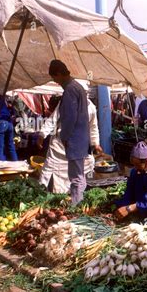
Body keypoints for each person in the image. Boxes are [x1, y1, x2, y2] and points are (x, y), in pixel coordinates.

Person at [38, 95, 103, 193]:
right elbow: (53, 119)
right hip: (59, 146)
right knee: (51, 169)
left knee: (86, 166)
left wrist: (96, 143)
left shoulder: (91, 107)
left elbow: (93, 127)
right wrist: (42, 135)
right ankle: (44, 194)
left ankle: (76, 194)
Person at [46, 60, 90, 205]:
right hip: (81, 138)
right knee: (79, 175)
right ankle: (79, 202)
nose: (55, 81)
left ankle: (76, 207)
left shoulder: (70, 89)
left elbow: (70, 117)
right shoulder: (78, 87)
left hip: (75, 139)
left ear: (59, 74)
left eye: (55, 78)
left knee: (76, 177)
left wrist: (64, 137)